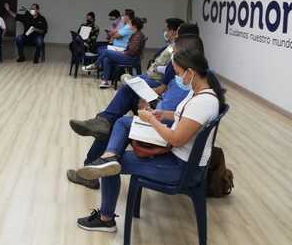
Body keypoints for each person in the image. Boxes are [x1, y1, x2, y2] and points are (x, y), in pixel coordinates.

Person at [74, 48, 224, 232]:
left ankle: (106, 219)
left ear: (191, 72)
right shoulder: (201, 93)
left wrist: (152, 120)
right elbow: (186, 117)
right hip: (179, 160)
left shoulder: (202, 103)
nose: (177, 79)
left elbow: (176, 140)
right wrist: (162, 114)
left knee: (109, 167)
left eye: (178, 73)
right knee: (122, 123)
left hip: (180, 168)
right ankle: (109, 155)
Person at [66, 30, 203, 190]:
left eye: (175, 53)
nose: (172, 58)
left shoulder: (190, 83)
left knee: (114, 126)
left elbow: (177, 122)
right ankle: (103, 122)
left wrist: (151, 114)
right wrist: (153, 104)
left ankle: (94, 162)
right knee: (123, 101)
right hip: (163, 116)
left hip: (164, 130)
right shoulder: (193, 77)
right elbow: (173, 102)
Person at [94, 17, 145, 88]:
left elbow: (132, 51)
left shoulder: (137, 36)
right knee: (107, 59)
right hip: (129, 56)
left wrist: (123, 53)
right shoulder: (136, 34)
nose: (129, 25)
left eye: (130, 24)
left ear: (134, 26)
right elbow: (131, 49)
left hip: (130, 59)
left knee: (106, 52)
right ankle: (105, 81)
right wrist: (122, 51)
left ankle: (95, 65)